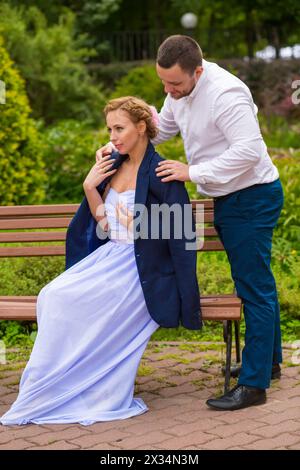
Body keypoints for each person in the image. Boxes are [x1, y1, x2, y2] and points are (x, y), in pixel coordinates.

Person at [97, 36, 284, 411]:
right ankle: (268, 363)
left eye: (175, 85)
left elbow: (248, 152)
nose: (168, 91)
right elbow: (162, 127)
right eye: (164, 83)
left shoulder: (227, 95)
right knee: (255, 279)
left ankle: (253, 385)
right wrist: (123, 140)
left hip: (252, 195)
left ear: (197, 71)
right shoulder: (178, 91)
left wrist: (190, 171)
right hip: (230, 196)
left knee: (253, 287)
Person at [0, 96, 201, 426]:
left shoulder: (162, 173)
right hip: (112, 256)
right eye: (109, 129)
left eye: (119, 128)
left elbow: (181, 236)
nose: (112, 136)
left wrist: (184, 293)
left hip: (142, 270)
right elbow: (104, 225)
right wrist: (90, 187)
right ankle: (53, 386)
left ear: (141, 127)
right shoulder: (112, 166)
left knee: (69, 299)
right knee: (53, 295)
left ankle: (88, 387)